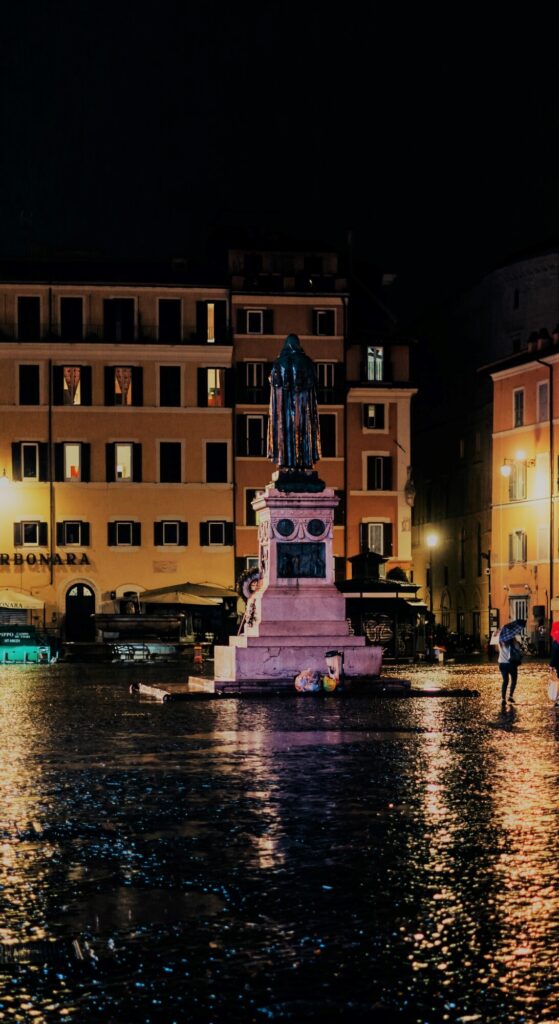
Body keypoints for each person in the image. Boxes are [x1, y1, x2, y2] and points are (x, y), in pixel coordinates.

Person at [267, 334, 321, 471]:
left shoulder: (278, 363)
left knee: (285, 430)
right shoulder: (307, 362)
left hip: (284, 409)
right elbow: (313, 382)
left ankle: (285, 462)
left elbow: (274, 384)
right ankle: (304, 462)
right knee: (303, 431)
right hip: (303, 407)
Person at [497, 629, 523, 704]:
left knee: (505, 681)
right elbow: (518, 648)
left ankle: (503, 699)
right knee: (514, 680)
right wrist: (514, 639)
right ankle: (510, 696)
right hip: (511, 664)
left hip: (502, 664)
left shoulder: (500, 642)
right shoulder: (513, 642)